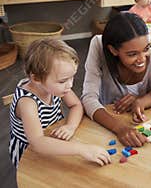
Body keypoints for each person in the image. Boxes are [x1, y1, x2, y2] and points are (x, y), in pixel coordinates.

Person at [9, 39, 111, 168]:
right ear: (36, 78)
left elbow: (76, 105)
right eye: (63, 81)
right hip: (29, 153)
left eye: (72, 77)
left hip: (53, 139)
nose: (70, 85)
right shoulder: (27, 103)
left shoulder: (55, 86)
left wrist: (70, 126)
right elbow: (37, 143)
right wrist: (82, 149)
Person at [81, 12, 151, 147]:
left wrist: (140, 100)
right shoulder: (99, 45)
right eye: (132, 54)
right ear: (113, 50)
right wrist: (119, 128)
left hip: (143, 133)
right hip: (106, 127)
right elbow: (88, 98)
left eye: (146, 49)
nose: (142, 59)